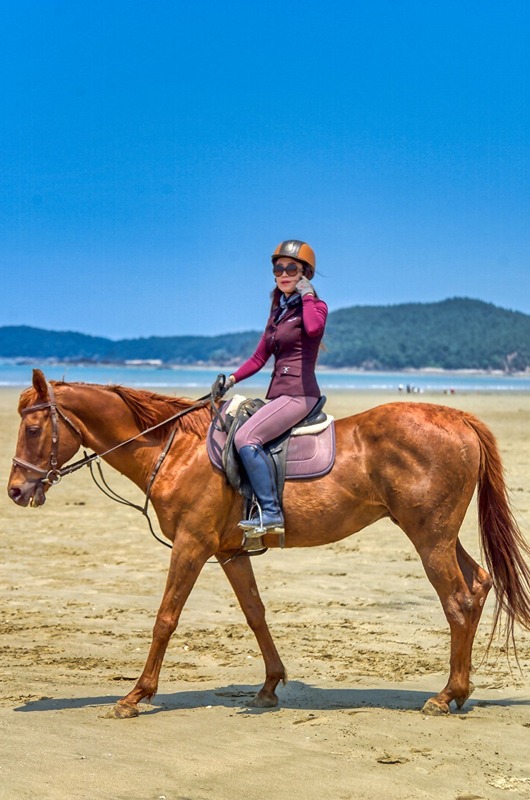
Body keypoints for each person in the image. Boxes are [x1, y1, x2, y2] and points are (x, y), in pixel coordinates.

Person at [223, 240, 328, 531]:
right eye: (277, 268)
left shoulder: (316, 307)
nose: (283, 273)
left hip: (300, 394)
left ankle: (270, 513)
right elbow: (259, 357)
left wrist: (307, 296)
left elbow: (313, 329)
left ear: (305, 273)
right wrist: (231, 380)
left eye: (290, 268)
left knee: (246, 438)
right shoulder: (277, 313)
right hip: (279, 395)